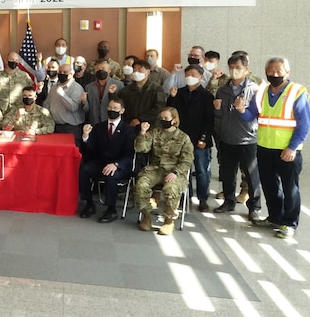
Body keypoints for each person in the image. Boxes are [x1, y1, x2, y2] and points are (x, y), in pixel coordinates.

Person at [236, 57, 310, 239]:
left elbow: (305, 124)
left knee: (290, 188)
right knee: (270, 186)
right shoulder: (261, 92)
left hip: (288, 150)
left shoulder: (296, 92)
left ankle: (289, 223)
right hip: (264, 148)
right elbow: (250, 116)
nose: (274, 74)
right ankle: (275, 217)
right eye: (271, 71)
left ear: (287, 73)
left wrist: (292, 148)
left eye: (279, 71)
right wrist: (240, 110)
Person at [213, 54, 263, 221]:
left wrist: (242, 110)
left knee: (251, 175)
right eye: (232, 67)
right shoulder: (222, 89)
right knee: (227, 173)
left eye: (238, 68)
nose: (234, 71)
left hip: (247, 139)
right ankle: (229, 201)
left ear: (246, 69)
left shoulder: (254, 90)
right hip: (227, 138)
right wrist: (217, 109)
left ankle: (254, 207)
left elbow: (255, 115)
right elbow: (220, 115)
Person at [134, 107, 193, 236]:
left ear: (174, 120)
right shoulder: (155, 133)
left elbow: (187, 160)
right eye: (162, 118)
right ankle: (147, 216)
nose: (163, 121)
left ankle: (168, 220)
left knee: (171, 188)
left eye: (166, 118)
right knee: (141, 184)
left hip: (174, 171)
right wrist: (142, 134)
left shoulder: (183, 138)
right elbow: (141, 149)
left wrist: (176, 172)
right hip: (156, 169)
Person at [78, 97, 135, 223]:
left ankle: (111, 209)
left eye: (115, 108)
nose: (111, 110)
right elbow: (90, 149)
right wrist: (85, 136)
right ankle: (89, 204)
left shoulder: (127, 130)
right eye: (110, 107)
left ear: (122, 111)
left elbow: (129, 154)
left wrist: (116, 164)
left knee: (111, 176)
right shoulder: (99, 127)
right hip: (100, 161)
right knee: (85, 171)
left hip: (119, 165)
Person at [167, 65, 215, 212]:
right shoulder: (179, 92)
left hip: (199, 139)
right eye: (187, 74)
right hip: (181, 139)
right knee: (182, 168)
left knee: (201, 170)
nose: (190, 77)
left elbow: (209, 120)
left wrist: (204, 138)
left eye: (193, 74)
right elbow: (170, 113)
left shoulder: (207, 96)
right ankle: (185, 196)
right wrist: (172, 97)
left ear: (201, 77)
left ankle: (203, 199)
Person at [43, 62, 86, 142]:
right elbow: (47, 104)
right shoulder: (54, 88)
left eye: (65, 72)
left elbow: (73, 107)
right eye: (60, 72)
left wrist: (62, 95)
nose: (62, 74)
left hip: (70, 128)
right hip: (55, 126)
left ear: (71, 73)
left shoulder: (77, 88)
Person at [118, 59, 166, 129]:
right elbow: (121, 105)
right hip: (130, 125)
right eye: (134, 70)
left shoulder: (156, 88)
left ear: (148, 72)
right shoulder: (126, 89)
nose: (136, 72)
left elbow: (159, 107)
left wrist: (140, 119)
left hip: (149, 126)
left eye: (140, 70)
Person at [0, 52, 33, 116]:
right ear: (7, 61)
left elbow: (30, 90)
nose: (14, 62)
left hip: (18, 112)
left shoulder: (24, 76)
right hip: (1, 112)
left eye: (16, 60)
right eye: (12, 59)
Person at [85, 59, 124, 125]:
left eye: (103, 68)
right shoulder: (89, 87)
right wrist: (84, 102)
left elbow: (121, 103)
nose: (100, 71)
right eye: (98, 69)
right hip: (94, 123)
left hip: (112, 122)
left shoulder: (119, 85)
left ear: (109, 70)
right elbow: (88, 107)